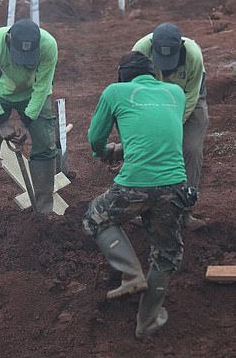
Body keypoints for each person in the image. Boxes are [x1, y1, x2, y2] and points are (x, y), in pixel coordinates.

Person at [83, 52, 193, 339]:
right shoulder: (176, 93)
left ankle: (131, 274)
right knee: (166, 254)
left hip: (135, 184)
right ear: (153, 75)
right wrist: (127, 147)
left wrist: (104, 152)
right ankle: (147, 322)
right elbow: (158, 129)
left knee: (96, 217)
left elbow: (95, 138)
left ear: (122, 76)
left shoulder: (115, 91)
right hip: (175, 185)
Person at [0, 18, 58, 218]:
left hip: (34, 94)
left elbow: (43, 86)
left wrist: (27, 121)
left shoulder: (48, 45)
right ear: (9, 40)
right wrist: (0, 121)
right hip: (0, 94)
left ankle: (44, 210)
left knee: (45, 144)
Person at [132, 23, 208, 231]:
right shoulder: (140, 50)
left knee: (191, 150)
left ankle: (185, 211)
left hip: (188, 101)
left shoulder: (193, 54)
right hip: (150, 102)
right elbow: (133, 92)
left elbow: (192, 96)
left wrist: (172, 126)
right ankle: (144, 208)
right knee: (146, 148)